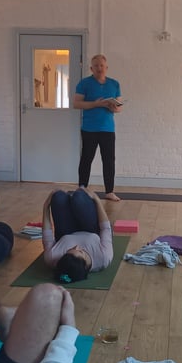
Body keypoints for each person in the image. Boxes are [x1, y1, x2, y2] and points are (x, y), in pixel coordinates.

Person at [73, 54, 123, 202]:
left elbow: (119, 108)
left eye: (101, 65)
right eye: (96, 66)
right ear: (91, 68)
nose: (99, 68)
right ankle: (82, 189)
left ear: (106, 67)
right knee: (86, 159)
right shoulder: (84, 83)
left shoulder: (114, 84)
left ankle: (109, 191)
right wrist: (95, 104)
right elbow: (76, 104)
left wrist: (113, 107)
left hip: (108, 129)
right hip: (89, 129)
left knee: (109, 160)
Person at [42, 187, 113, 283]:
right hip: (91, 230)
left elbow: (47, 235)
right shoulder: (103, 257)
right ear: (86, 265)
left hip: (65, 232)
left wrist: (46, 206)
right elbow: (106, 228)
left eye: (69, 250)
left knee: (58, 197)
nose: (76, 246)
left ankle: (65, 199)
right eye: (80, 251)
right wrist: (96, 199)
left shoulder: (52, 258)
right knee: (79, 197)